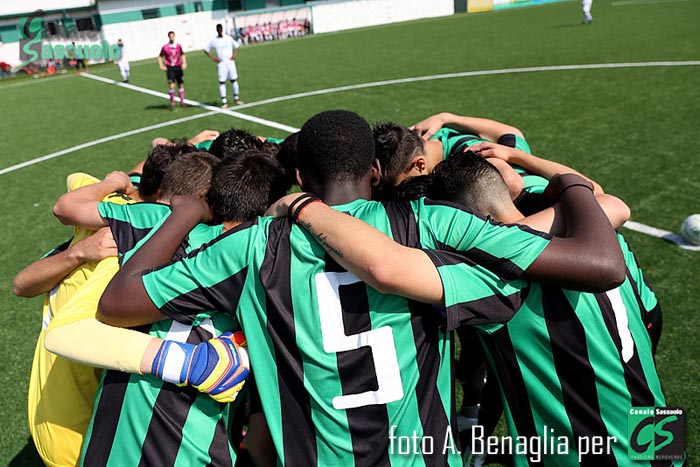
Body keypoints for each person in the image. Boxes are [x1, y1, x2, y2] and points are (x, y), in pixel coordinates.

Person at [97, 110, 625, 466]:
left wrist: (183, 214)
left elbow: (117, 304)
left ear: (301, 177)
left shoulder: (253, 246)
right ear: (376, 170)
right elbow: (600, 262)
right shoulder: (430, 223)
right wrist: (570, 183)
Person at [51, 153, 254, 466]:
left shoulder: (129, 219)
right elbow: (64, 333)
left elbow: (22, 282)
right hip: (79, 430)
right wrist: (189, 363)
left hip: (91, 428)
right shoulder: (130, 237)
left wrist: (120, 181)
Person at [13, 173, 122, 467]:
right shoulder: (106, 240)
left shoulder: (102, 211)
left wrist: (115, 182)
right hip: (76, 441)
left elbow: (77, 183)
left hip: (57, 425)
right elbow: (21, 284)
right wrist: (76, 253)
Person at [204, 24, 243, 108]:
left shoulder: (228, 38)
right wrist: (213, 58)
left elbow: (236, 46)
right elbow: (206, 50)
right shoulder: (214, 40)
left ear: (222, 29)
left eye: (221, 29)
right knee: (222, 82)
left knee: (234, 80)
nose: (220, 30)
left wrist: (234, 55)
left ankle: (236, 99)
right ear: (217, 30)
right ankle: (224, 102)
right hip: (221, 64)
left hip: (230, 62)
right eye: (218, 29)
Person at [158, 31, 187, 110]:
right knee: (171, 85)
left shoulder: (178, 46)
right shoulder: (165, 47)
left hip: (178, 67)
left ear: (174, 36)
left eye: (172, 36)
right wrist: (161, 65)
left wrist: (184, 63)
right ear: (168, 37)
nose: (171, 37)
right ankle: (172, 103)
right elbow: (160, 56)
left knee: (180, 84)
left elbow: (182, 54)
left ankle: (182, 101)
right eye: (170, 36)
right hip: (170, 68)